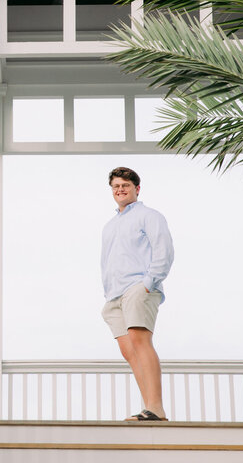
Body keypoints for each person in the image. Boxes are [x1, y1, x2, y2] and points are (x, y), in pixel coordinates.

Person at [100, 165, 174, 421]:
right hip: (114, 296)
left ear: (136, 189)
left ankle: (156, 408)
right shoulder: (109, 226)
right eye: (116, 187)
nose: (120, 190)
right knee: (128, 351)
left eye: (125, 186)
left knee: (141, 342)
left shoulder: (149, 215)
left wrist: (149, 282)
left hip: (138, 288)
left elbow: (164, 250)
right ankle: (148, 408)